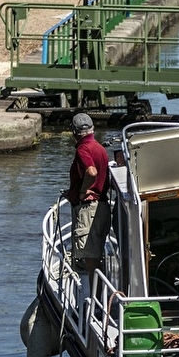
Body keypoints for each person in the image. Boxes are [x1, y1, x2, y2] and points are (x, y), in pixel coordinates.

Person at [65, 112, 110, 273]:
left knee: (90, 261)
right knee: (97, 255)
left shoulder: (83, 148)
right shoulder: (100, 148)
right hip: (102, 207)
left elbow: (91, 172)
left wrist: (83, 191)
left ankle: (94, 290)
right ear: (92, 129)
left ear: (74, 133)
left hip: (88, 209)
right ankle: (99, 287)